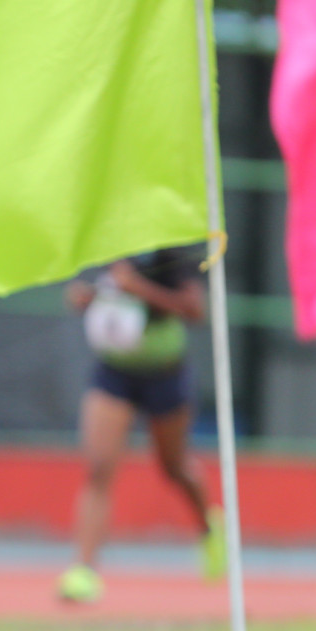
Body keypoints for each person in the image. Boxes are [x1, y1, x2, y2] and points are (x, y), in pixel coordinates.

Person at [57, 246, 223, 603]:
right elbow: (108, 293)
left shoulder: (174, 250)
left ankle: (209, 528)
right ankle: (83, 569)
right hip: (114, 372)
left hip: (165, 374)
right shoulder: (111, 241)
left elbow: (194, 309)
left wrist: (138, 289)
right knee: (99, 468)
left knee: (174, 468)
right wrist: (87, 299)